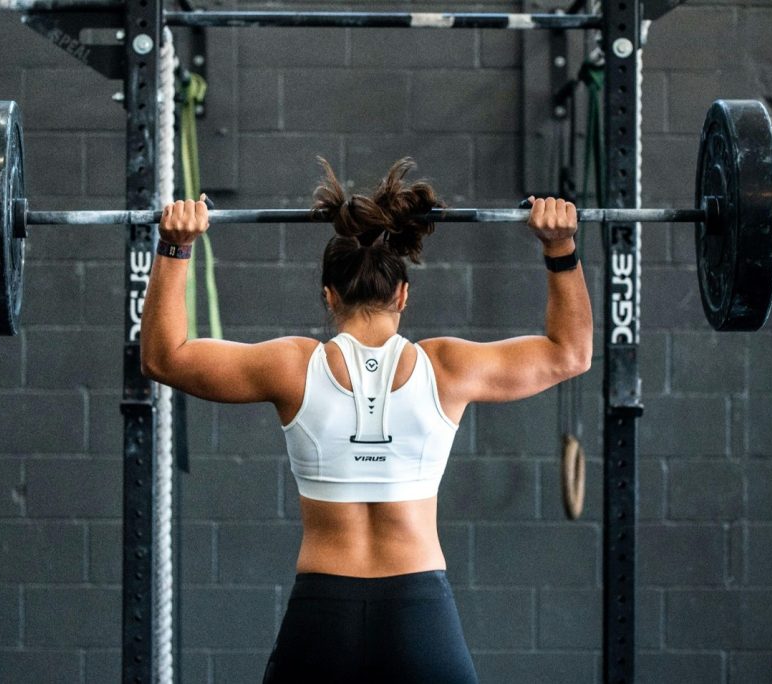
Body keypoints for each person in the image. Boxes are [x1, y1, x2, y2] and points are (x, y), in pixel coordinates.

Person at [140, 158, 592, 683]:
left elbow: (163, 358)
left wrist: (176, 248)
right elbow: (570, 353)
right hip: (419, 611)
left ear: (328, 294)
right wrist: (560, 249)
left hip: (321, 615)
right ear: (403, 294)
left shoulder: (293, 367)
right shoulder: (448, 368)